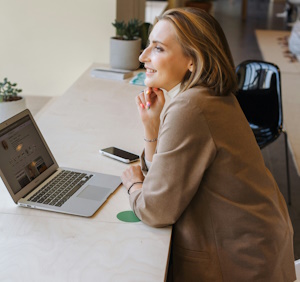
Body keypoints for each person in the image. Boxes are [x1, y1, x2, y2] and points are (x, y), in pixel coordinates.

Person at [121, 8, 296, 282]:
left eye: (158, 49)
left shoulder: (191, 108)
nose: (143, 57)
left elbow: (155, 208)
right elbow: (164, 180)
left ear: (192, 60)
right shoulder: (205, 96)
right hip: (260, 244)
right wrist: (151, 127)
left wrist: (133, 184)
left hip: (239, 261)